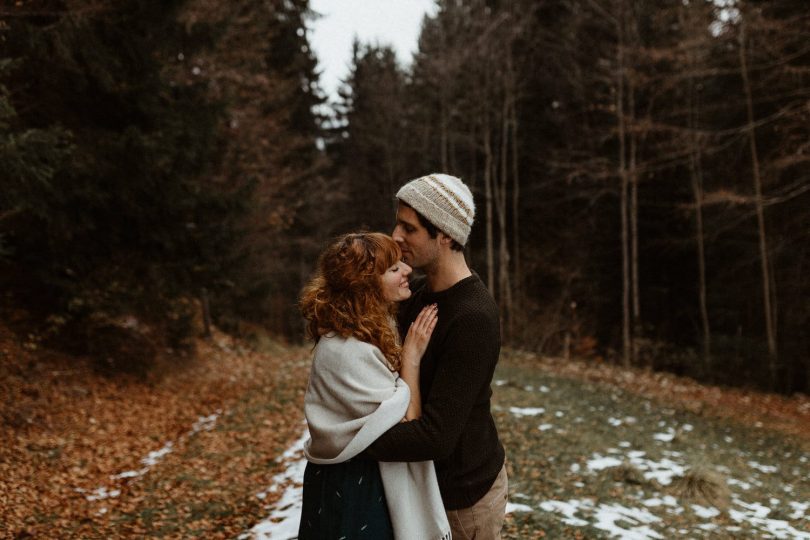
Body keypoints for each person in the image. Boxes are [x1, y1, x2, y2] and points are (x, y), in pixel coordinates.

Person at [364, 173, 508, 539]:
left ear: (445, 236)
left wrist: (351, 444)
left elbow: (436, 437)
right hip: (421, 486)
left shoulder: (473, 316)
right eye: (398, 222)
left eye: (409, 228)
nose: (396, 235)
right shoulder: (416, 293)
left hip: (461, 499)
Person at [297, 232, 451, 540]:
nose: (407, 269)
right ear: (366, 286)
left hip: (361, 478)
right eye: (394, 268)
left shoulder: (368, 329)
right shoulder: (346, 350)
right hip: (353, 488)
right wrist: (411, 360)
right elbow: (408, 423)